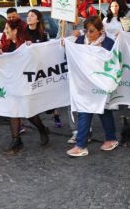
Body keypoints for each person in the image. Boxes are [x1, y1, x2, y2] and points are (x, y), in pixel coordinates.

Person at [66, 16, 120, 157]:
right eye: (86, 31)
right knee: (85, 111)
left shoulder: (108, 43)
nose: (88, 34)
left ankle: (110, 138)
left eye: (91, 31)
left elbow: (114, 62)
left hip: (101, 83)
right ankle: (81, 145)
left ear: (100, 30)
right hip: (84, 84)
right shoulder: (80, 40)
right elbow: (71, 57)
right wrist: (66, 43)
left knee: (104, 111)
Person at [0, 18, 50, 153]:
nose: (4, 32)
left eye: (7, 29)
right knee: (14, 111)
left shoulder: (26, 45)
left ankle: (42, 129)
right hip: (12, 83)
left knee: (29, 112)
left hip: (25, 84)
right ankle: (16, 140)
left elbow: (38, 61)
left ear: (15, 31)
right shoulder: (6, 45)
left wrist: (31, 49)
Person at [23, 9, 63, 128]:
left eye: (32, 16)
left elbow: (48, 50)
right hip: (28, 70)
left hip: (42, 69)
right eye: (28, 15)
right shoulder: (23, 33)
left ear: (37, 19)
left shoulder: (43, 34)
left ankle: (55, 115)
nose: (29, 18)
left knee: (49, 95)